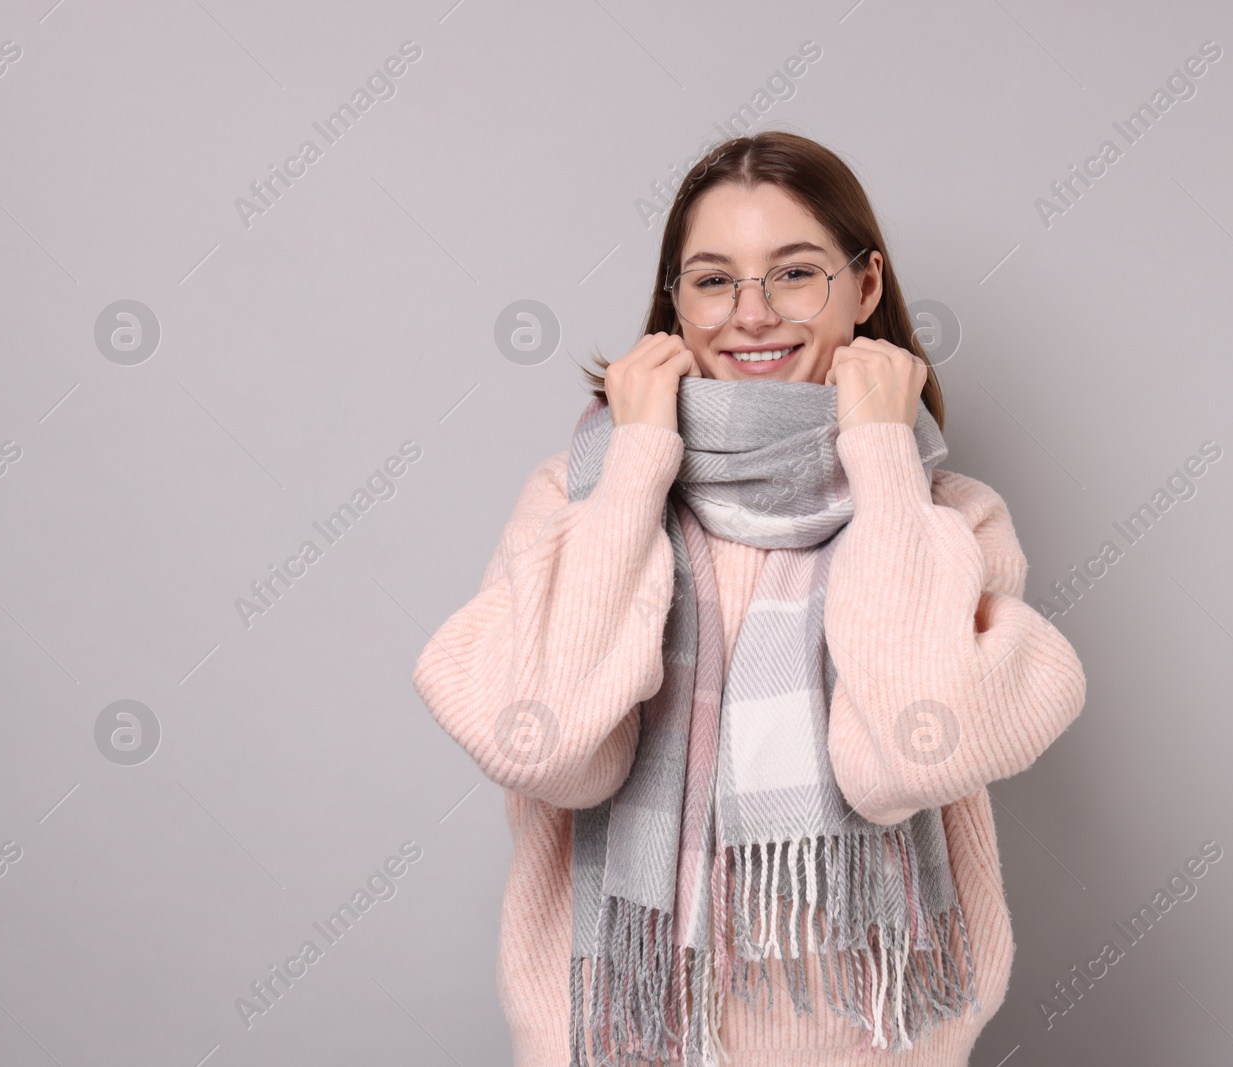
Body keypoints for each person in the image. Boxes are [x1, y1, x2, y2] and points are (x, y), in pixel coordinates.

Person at [412, 130, 1087, 1067]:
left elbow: (907, 759)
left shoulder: (945, 520)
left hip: (878, 1046)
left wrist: (884, 459)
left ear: (866, 286)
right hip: (617, 1044)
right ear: (675, 308)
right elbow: (554, 747)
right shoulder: (582, 498)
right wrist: (639, 466)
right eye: (714, 280)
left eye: (796, 272)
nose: (753, 315)